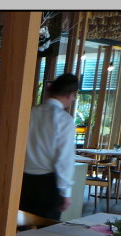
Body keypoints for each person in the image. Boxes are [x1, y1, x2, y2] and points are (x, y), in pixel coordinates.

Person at [19, 73, 79, 220]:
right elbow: (64, 160)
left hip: (22, 181)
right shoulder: (64, 120)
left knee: (19, 226)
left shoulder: (29, 113)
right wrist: (65, 193)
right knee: (45, 228)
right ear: (70, 94)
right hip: (48, 184)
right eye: (74, 96)